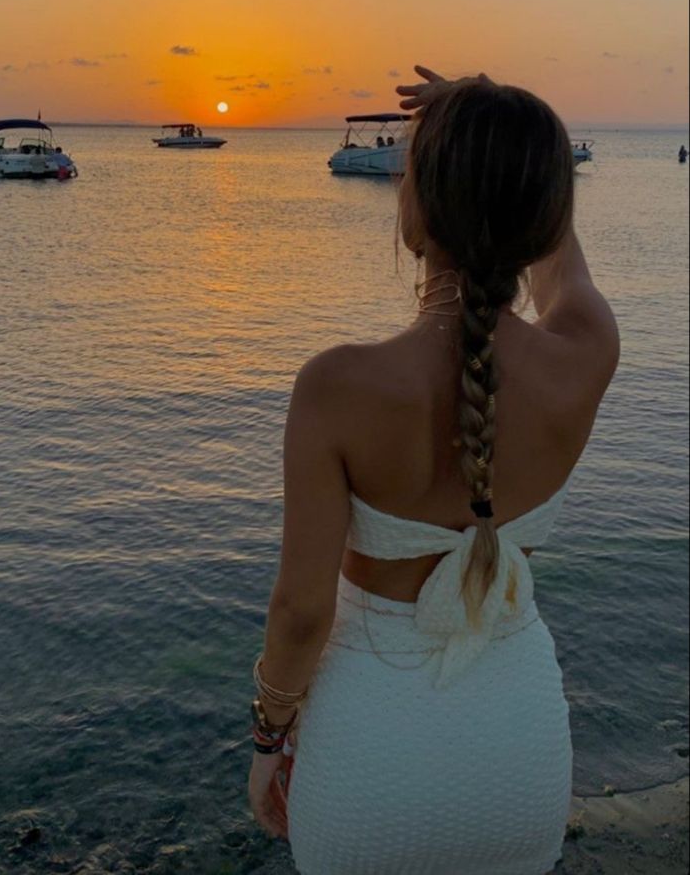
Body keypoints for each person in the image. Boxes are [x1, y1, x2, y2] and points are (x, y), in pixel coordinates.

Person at [248, 65, 620, 874]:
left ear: (414, 207)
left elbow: (300, 610)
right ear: (547, 210)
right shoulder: (585, 356)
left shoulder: (337, 387)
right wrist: (504, 138)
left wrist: (269, 738)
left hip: (367, 753)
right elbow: (564, 269)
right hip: (517, 751)